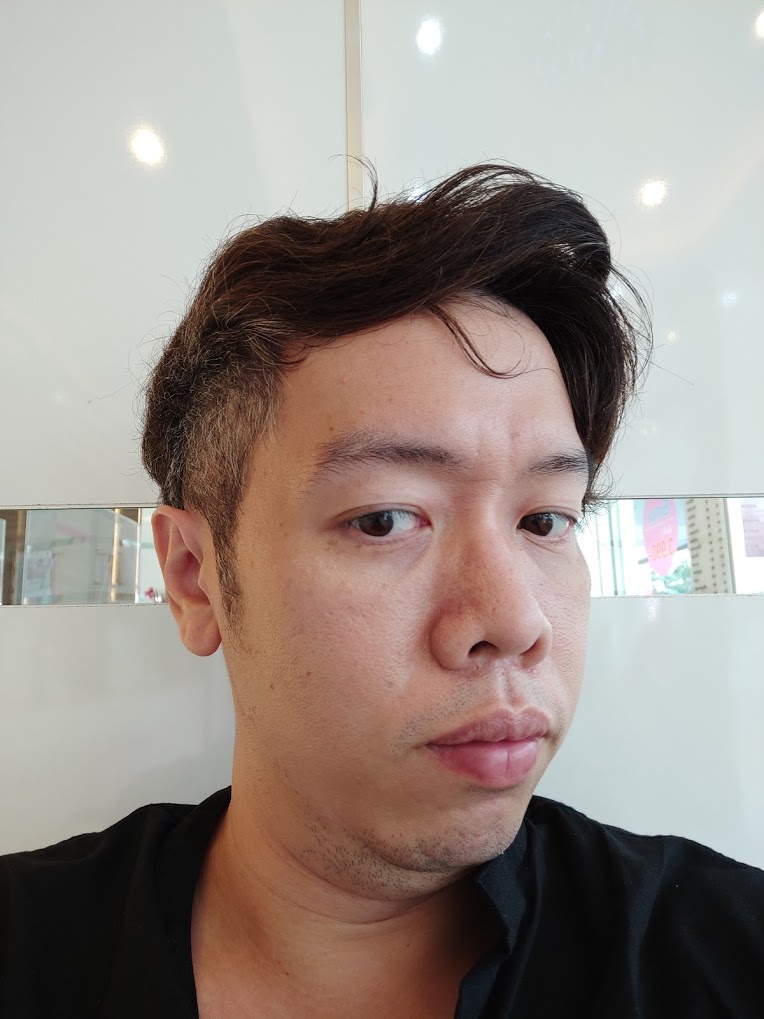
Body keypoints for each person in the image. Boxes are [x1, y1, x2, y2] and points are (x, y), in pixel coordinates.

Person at [1, 165, 761, 1018]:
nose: (515, 621)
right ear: (194, 578)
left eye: (545, 519)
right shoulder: (30, 951)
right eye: (385, 519)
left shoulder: (723, 958)